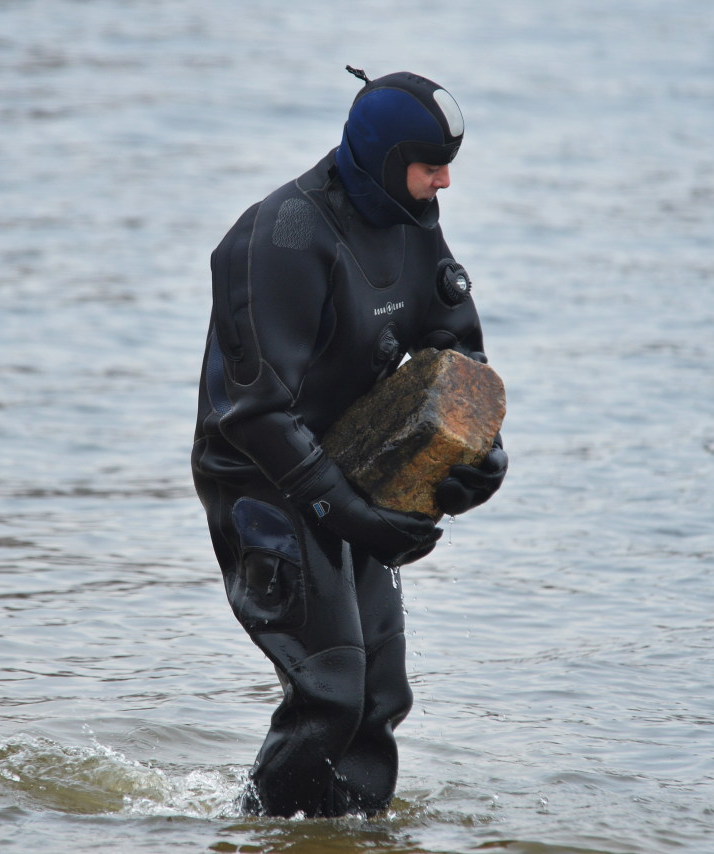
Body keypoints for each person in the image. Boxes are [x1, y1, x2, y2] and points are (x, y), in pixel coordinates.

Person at [191, 67, 508, 818]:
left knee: (379, 694)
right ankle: (270, 831)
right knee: (330, 692)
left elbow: (456, 354)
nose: (446, 183)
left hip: (352, 460)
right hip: (257, 475)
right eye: (432, 166)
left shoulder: (409, 214)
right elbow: (256, 415)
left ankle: (351, 832)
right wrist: (354, 517)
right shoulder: (280, 238)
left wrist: (480, 455)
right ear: (385, 155)